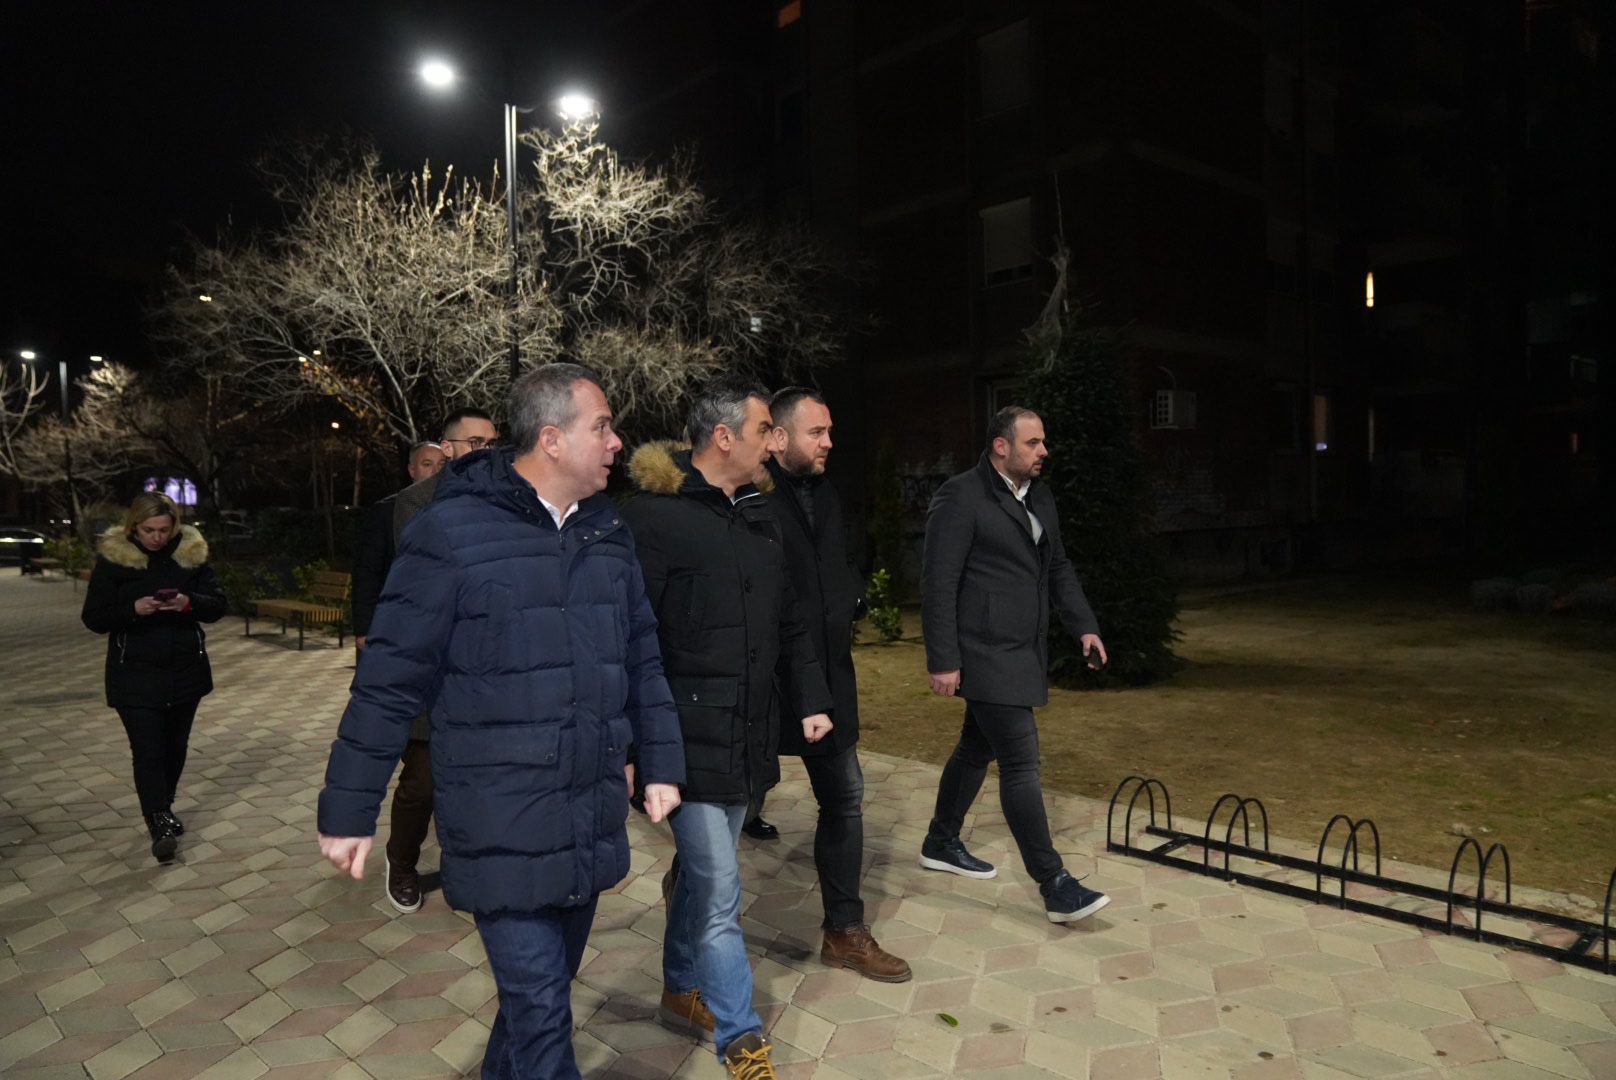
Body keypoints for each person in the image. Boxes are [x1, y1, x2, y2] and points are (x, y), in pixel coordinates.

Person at [317, 363, 685, 1079]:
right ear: (552, 438)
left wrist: (660, 764)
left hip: (583, 814)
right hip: (498, 819)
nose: (617, 442)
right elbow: (388, 682)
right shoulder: (449, 534)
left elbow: (642, 657)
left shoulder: (607, 532)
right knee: (543, 1014)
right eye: (602, 426)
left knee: (533, 1008)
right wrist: (350, 809)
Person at [622, 379, 833, 1078]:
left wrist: (809, 698)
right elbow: (627, 639)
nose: (774, 441)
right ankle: (741, 1040)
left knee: (701, 878)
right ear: (723, 437)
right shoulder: (651, 519)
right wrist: (631, 747)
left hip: (747, 735)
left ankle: (680, 989)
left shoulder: (760, 516)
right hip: (681, 742)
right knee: (719, 892)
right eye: (765, 429)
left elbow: (790, 622)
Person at [919, 406, 1113, 924]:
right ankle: (1054, 884)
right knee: (1021, 763)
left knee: (975, 747)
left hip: (1023, 650)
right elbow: (938, 583)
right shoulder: (961, 496)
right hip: (983, 652)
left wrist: (1084, 625)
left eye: (1043, 442)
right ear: (1000, 446)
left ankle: (940, 841)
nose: (1044, 451)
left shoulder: (1039, 495)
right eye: (1033, 443)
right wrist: (943, 660)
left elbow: (1058, 567)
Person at [759, 387, 910, 981]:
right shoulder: (750, 496)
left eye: (829, 431)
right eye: (816, 432)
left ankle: (844, 931)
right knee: (729, 807)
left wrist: (851, 597)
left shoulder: (826, 491)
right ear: (778, 437)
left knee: (845, 799)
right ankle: (688, 899)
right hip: (766, 684)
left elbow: (841, 561)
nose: (829, 442)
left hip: (829, 679)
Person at [379, 411, 495, 914]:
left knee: (474, 779)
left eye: (492, 442)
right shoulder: (417, 502)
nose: (487, 451)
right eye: (475, 442)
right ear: (447, 449)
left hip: (486, 668)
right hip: (430, 666)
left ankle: (466, 864)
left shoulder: (507, 497)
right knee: (422, 779)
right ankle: (401, 861)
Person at [81, 492, 228, 863]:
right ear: (134, 527)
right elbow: (94, 617)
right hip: (134, 672)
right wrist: (133, 608)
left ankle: (164, 806)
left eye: (164, 529)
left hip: (185, 669)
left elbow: (218, 605)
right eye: (149, 530)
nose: (157, 537)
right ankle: (158, 821)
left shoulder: (190, 553)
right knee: (148, 750)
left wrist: (189, 602)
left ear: (174, 526)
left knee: (175, 746)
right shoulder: (115, 559)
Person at [350, 441, 445, 651]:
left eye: (442, 465)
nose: (436, 471)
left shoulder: (455, 509)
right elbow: (367, 571)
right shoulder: (386, 511)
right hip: (394, 622)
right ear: (412, 470)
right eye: (427, 464)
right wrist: (364, 628)